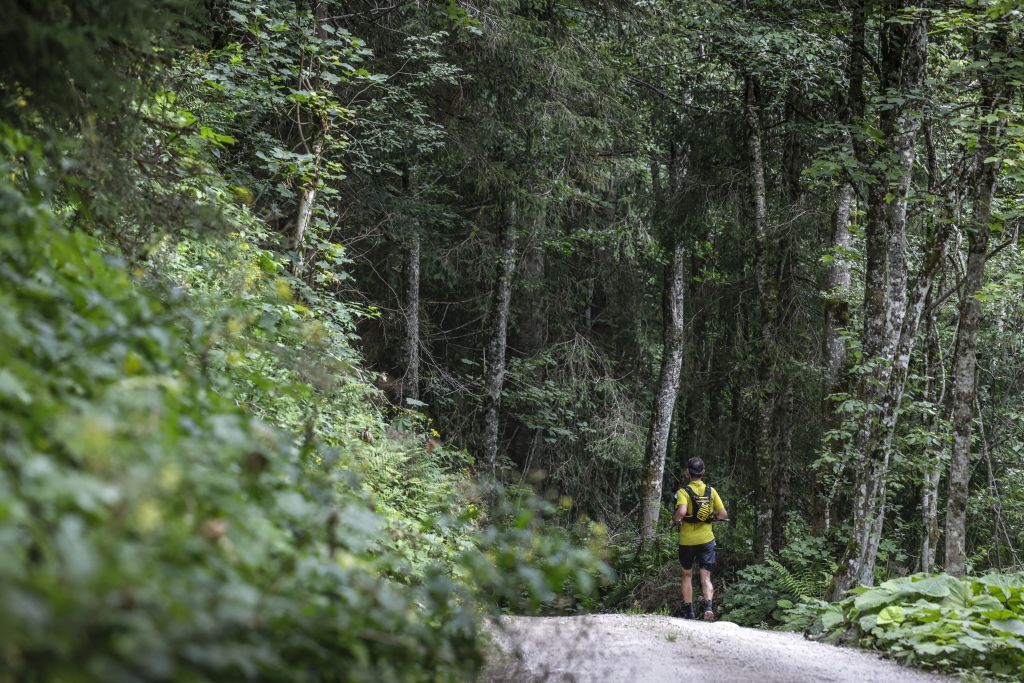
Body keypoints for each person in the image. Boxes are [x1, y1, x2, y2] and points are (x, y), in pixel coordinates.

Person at [671, 457, 727, 620]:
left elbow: (682, 512)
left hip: (687, 541)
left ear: (688, 472)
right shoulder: (711, 491)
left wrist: (675, 520)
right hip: (706, 539)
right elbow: (723, 514)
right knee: (706, 576)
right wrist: (710, 518)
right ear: (703, 472)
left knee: (687, 574)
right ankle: (708, 607)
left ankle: (689, 612)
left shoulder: (683, 492)